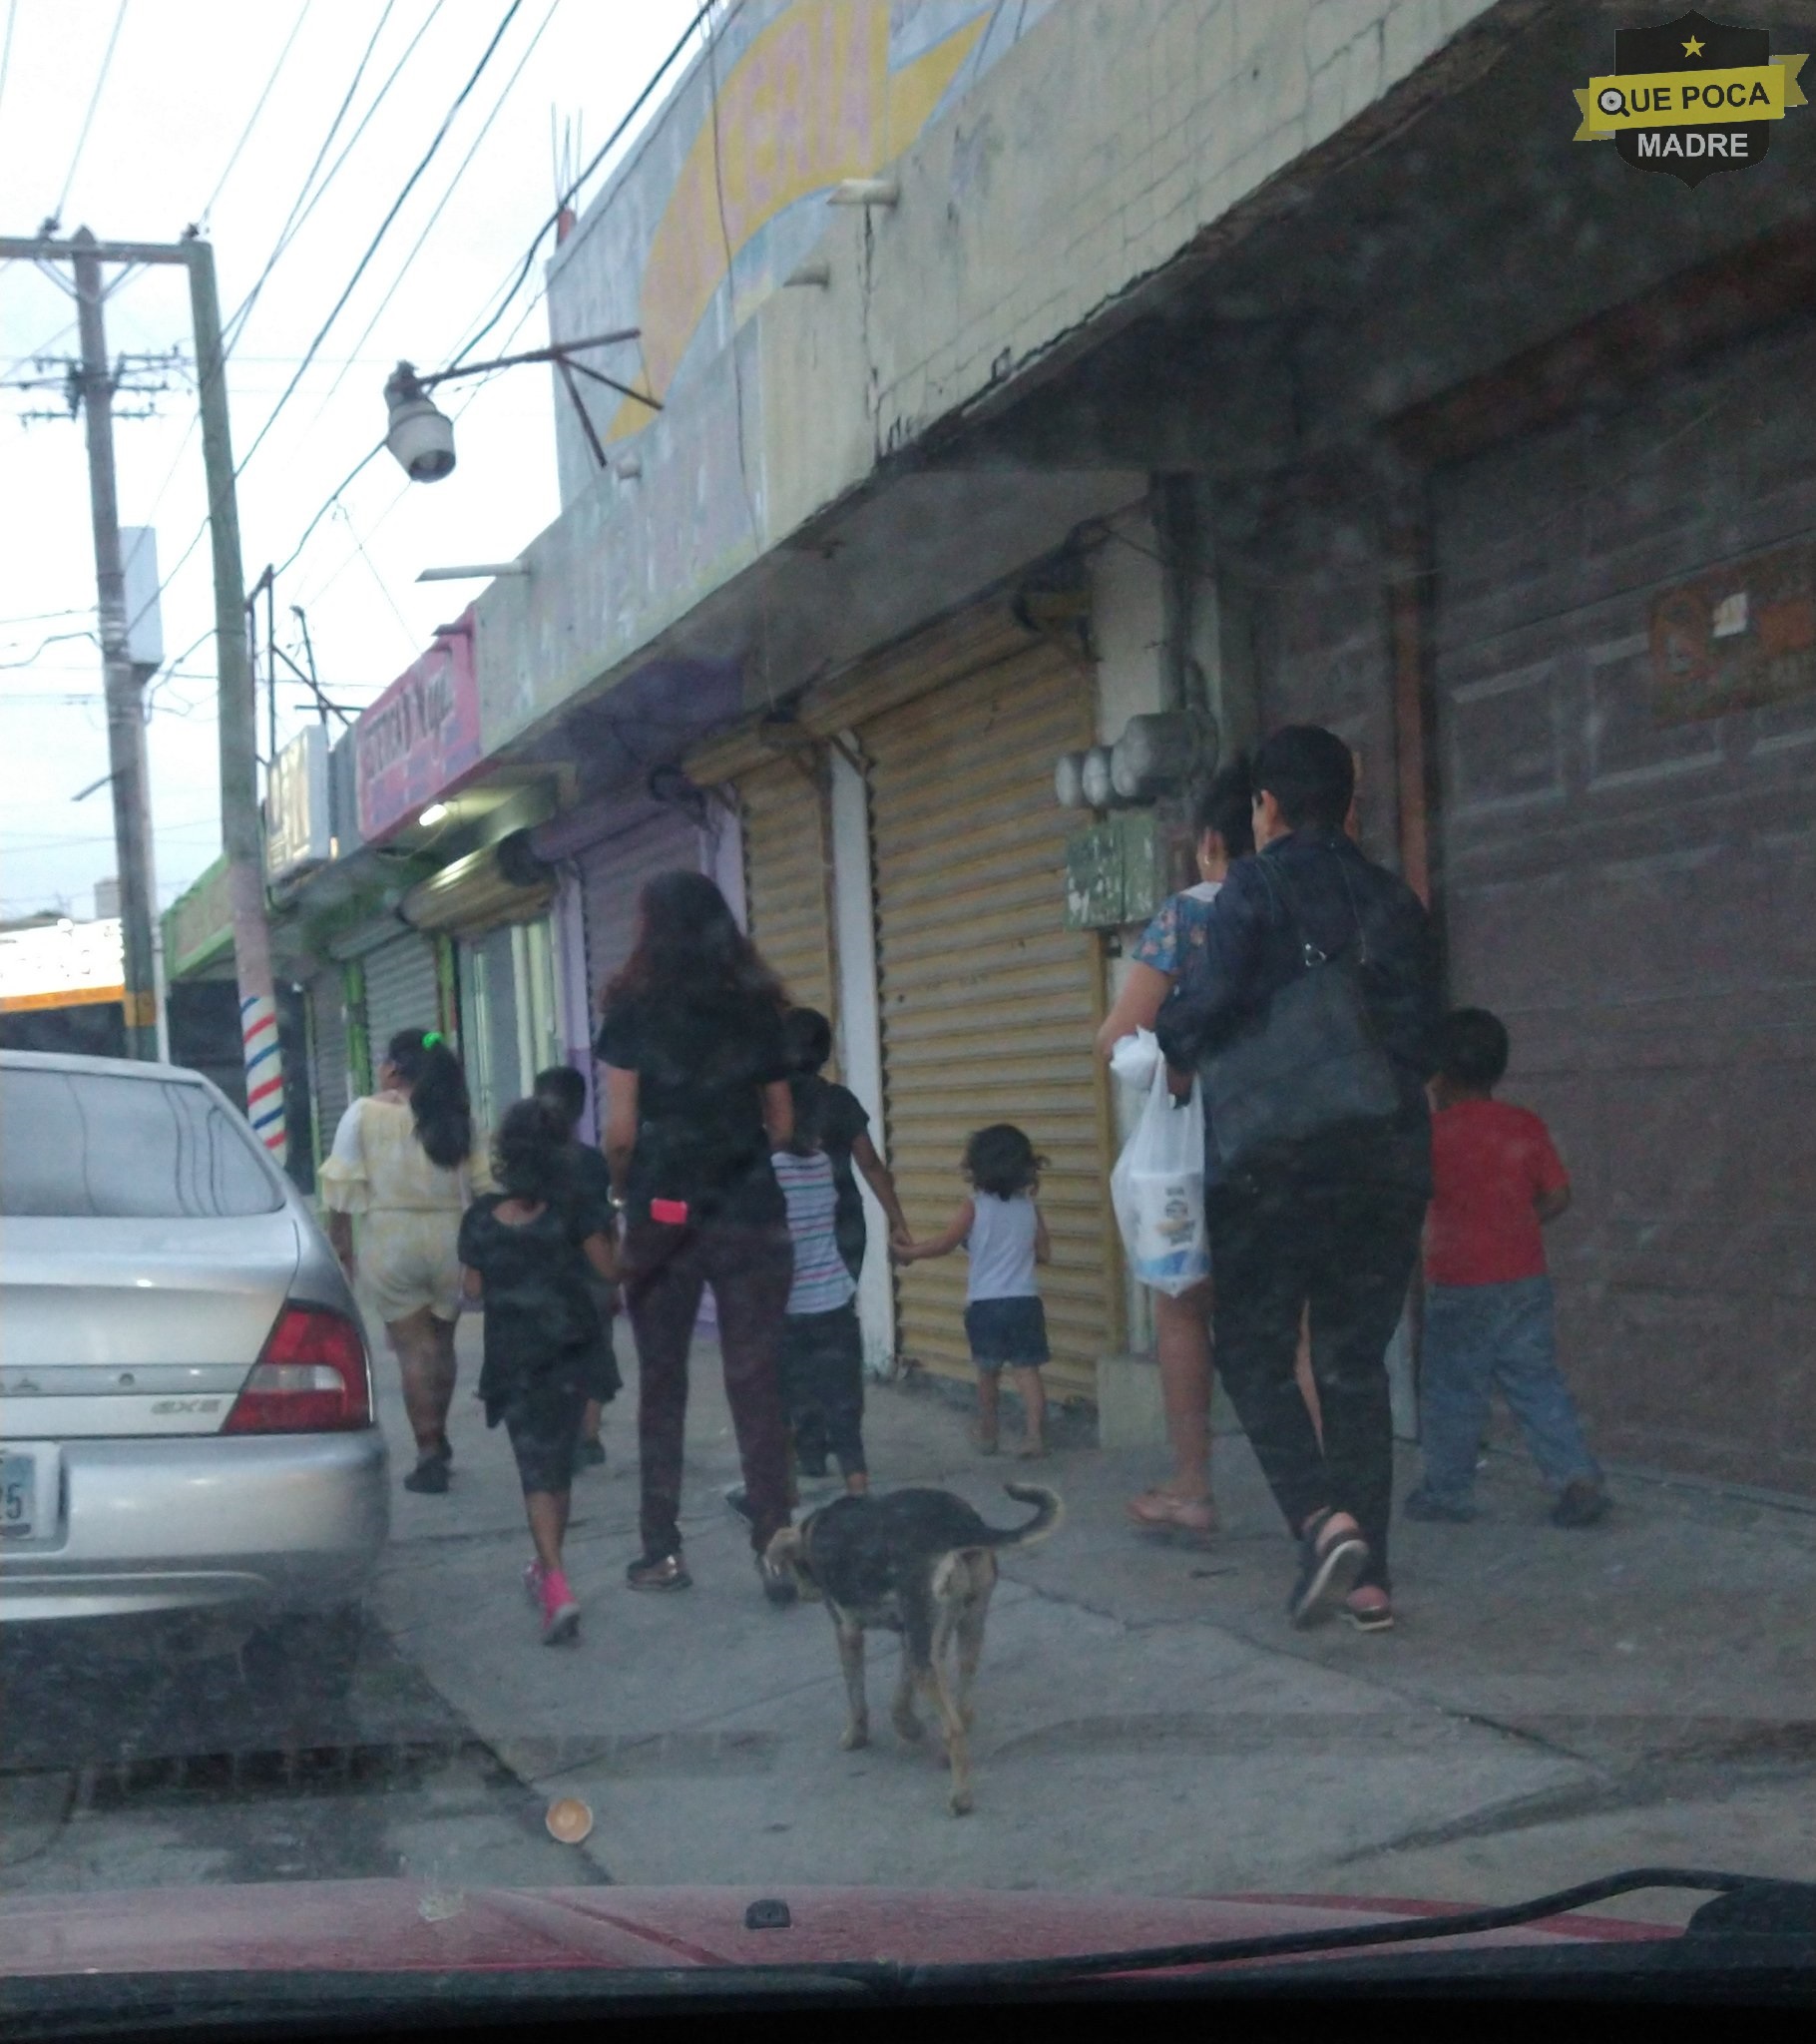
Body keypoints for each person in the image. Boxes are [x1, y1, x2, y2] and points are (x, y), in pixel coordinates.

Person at [1155, 726, 1441, 1634]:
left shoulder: (1252, 889)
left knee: (1252, 1349)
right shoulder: (1397, 900)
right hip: (1386, 1156)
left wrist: (1180, 1038)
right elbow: (1428, 1041)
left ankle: (1323, 1522)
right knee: (1355, 1360)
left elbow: (1195, 1013)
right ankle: (1370, 1585)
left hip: (1273, 1164)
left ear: (1266, 806)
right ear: (1349, 803)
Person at [1096, 761, 1321, 1542]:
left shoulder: (1188, 918)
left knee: (1182, 1307)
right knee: (1289, 1324)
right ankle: (1325, 1504)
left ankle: (1192, 1487)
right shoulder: (1307, 914)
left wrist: (1160, 1053)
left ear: (1213, 843)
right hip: (1289, 1138)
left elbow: (1118, 1034)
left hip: (1188, 1155)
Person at [595, 870, 799, 1606]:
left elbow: (620, 1132)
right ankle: (777, 1546)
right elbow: (783, 1122)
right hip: (746, 1208)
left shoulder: (631, 1005)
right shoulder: (756, 1004)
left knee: (662, 1382)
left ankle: (662, 1551)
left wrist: (631, 1193)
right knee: (757, 1378)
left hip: (667, 1210)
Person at [1405, 1008, 1608, 1529]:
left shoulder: (1431, 1136)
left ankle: (1447, 1493)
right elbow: (1559, 1196)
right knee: (1537, 1381)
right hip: (1524, 1280)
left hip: (1458, 1284)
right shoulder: (1525, 1125)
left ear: (1439, 1076)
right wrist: (1518, 1223)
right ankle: (1576, 1479)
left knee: (1452, 1391)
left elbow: (1408, 1202)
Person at [458, 1100, 619, 1645]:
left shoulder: (480, 1218)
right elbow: (609, 1270)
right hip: (571, 1348)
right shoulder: (574, 1209)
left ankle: (552, 1579)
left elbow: (473, 1290)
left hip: (514, 1356)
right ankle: (551, 1571)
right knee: (560, 1463)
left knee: (535, 1469)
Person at [320, 1027, 494, 1495]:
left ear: (394, 1069)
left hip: (391, 1240)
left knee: (412, 1351)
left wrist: (342, 1247)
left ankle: (429, 1452)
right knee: (441, 1344)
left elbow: (340, 1186)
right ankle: (440, 1434)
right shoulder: (458, 1117)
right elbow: (485, 1187)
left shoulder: (362, 1114)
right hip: (450, 1240)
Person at [778, 1006, 908, 1473]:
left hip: (783, 1231)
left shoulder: (765, 1103)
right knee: (833, 1326)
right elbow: (870, 1164)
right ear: (825, 1052)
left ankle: (808, 1443)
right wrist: (898, 1220)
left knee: (792, 1337)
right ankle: (842, 1437)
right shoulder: (839, 1101)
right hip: (843, 1227)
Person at [896, 1124, 1051, 1459]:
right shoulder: (1029, 1208)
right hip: (1025, 1300)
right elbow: (1044, 1254)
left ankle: (988, 1432)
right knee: (1027, 1370)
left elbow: (945, 1243)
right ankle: (1035, 1436)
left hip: (986, 1303)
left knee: (988, 1371)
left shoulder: (975, 1206)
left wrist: (910, 1253)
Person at [769, 1071, 872, 1500]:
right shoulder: (825, 1169)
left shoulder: (771, 1172)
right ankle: (858, 1487)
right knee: (843, 1403)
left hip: (788, 1310)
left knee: (787, 1402)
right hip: (833, 1302)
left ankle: (788, 1487)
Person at [533, 1064, 624, 1470]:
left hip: (545, 1275)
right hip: (591, 1270)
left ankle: (557, 1429)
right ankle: (589, 1435)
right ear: (582, 1108)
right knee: (595, 1350)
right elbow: (606, 1222)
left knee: (551, 1351)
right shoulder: (592, 1161)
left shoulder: (527, 1163)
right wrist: (615, 1276)